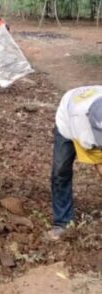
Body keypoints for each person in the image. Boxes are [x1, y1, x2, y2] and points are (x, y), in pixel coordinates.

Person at [48, 86, 102, 241]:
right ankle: (62, 223)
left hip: (89, 99)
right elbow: (99, 164)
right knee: (61, 170)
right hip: (67, 119)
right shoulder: (83, 129)